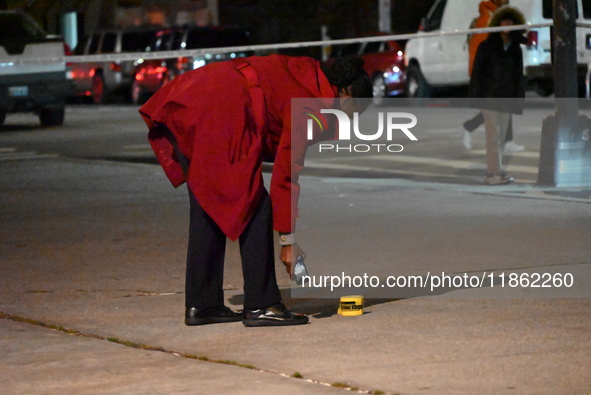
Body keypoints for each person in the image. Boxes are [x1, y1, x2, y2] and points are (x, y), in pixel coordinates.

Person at [139, 54, 372, 327]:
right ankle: (262, 305)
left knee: (207, 204)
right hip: (221, 109)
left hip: (192, 97)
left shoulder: (308, 73)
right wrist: (288, 242)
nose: (348, 123)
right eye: (353, 113)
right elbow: (286, 174)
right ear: (345, 94)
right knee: (255, 206)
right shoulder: (313, 107)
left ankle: (203, 304)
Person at [469, 6, 526, 185]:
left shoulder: (516, 49)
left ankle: (497, 171)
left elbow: (518, 77)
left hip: (506, 98)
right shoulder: (486, 46)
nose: (507, 24)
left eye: (511, 21)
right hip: (489, 97)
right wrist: (475, 98)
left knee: (501, 137)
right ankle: (492, 173)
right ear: (497, 23)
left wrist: (518, 101)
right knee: (493, 135)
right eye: (504, 21)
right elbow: (477, 73)